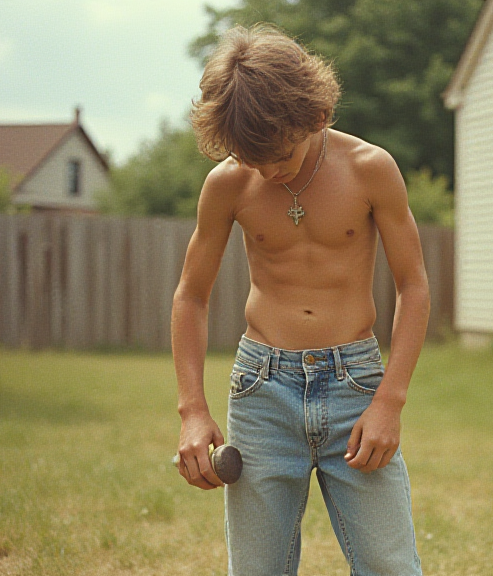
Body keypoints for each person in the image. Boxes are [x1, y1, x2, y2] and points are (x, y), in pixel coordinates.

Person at [171, 24, 430, 576]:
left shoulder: (370, 169)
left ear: (314, 114)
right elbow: (191, 296)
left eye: (278, 153)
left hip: (355, 386)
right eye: (250, 156)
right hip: (262, 390)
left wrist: (389, 401)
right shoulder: (229, 184)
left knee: (391, 567)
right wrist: (193, 410)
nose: (267, 170)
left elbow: (414, 285)